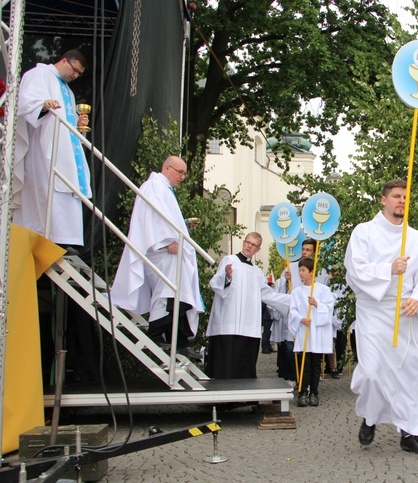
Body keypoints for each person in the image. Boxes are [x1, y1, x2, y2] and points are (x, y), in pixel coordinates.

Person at [344, 178, 418, 457]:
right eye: (396, 196)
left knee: (410, 374)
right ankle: (371, 416)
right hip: (373, 311)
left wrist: (417, 299)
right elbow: (355, 269)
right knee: (372, 373)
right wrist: (389, 269)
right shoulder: (364, 233)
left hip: (405, 313)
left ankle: (412, 433)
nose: (401, 201)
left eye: (405, 197)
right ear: (384, 200)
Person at [109, 156, 203, 359]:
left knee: (177, 295)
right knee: (171, 294)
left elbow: (163, 218)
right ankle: (159, 333)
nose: (182, 177)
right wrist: (167, 240)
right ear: (167, 168)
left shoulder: (162, 188)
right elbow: (153, 217)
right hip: (163, 252)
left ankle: (176, 339)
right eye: (180, 172)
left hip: (169, 252)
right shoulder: (153, 186)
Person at [13, 49, 91, 249]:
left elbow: (66, 121)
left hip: (64, 151)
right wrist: (43, 105)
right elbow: (26, 103)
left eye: (79, 74)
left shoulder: (68, 92)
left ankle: (65, 239)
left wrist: (78, 121)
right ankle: (48, 237)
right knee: (48, 190)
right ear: (64, 60)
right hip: (43, 148)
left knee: (66, 187)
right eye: (74, 70)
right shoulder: (39, 75)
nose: (75, 76)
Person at [204, 232, 290, 379]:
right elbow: (216, 283)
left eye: (254, 245)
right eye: (247, 242)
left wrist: (292, 300)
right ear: (244, 242)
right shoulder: (229, 260)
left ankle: (243, 396)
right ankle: (222, 399)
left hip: (248, 326)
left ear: (258, 249)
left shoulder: (257, 272)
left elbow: (267, 294)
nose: (249, 246)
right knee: (225, 362)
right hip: (227, 324)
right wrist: (227, 276)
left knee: (244, 361)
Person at [290, 257, 335, 407]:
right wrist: (301, 319)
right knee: (304, 363)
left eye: (303, 270)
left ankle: (314, 392)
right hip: (305, 331)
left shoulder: (323, 290)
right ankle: (302, 391)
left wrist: (316, 304)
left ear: (311, 272)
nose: (300, 273)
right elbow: (292, 311)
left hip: (317, 334)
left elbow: (329, 309)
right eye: (299, 271)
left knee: (316, 364)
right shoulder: (297, 291)